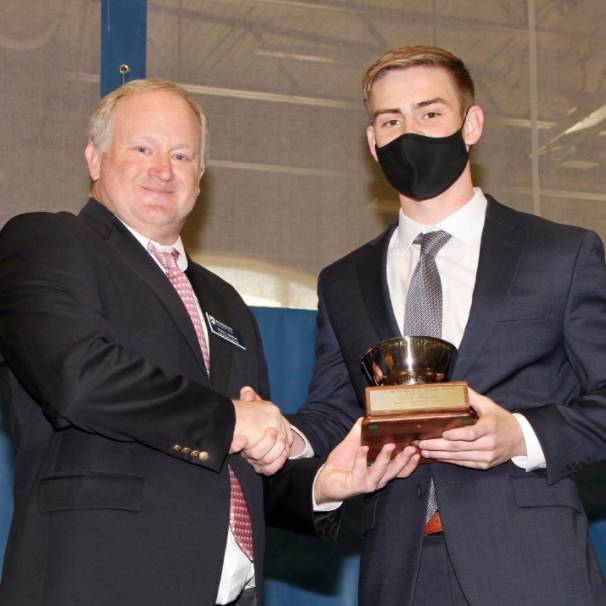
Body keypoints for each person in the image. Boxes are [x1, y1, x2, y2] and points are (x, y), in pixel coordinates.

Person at [0, 78, 416, 606]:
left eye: (181, 155)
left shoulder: (225, 302)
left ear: (200, 178)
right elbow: (77, 378)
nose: (162, 169)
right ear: (95, 159)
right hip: (99, 583)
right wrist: (235, 420)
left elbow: (232, 463)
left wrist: (319, 485)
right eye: (142, 148)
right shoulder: (46, 241)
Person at [287, 47, 606, 606]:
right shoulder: (343, 280)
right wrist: (281, 439)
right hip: (397, 570)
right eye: (392, 120)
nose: (410, 132)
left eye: (430, 113)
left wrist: (521, 437)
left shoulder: (562, 253)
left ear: (471, 123)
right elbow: (333, 414)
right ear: (372, 143)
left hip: (532, 565)